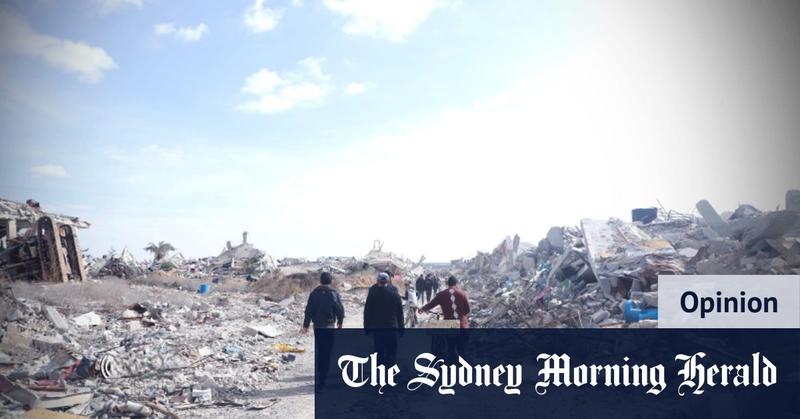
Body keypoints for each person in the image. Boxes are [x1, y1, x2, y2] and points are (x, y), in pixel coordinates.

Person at [301, 272, 344, 389]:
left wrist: (306, 325)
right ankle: (323, 376)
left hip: (318, 326)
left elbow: (309, 310)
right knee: (327, 352)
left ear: (320, 281)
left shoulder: (314, 293)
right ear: (330, 281)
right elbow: (340, 310)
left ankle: (321, 376)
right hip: (330, 326)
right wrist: (340, 323)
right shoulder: (334, 294)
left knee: (320, 351)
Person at [418, 276, 470, 362]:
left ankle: (450, 369)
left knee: (450, 347)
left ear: (447, 284)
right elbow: (467, 310)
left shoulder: (441, 294)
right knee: (461, 349)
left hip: (450, 325)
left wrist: (422, 309)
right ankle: (463, 370)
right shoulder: (463, 294)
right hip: (462, 325)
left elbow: (431, 304)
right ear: (456, 284)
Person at [363, 272, 404, 366]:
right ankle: (390, 372)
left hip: (377, 327)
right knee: (391, 351)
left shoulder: (373, 293)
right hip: (392, 327)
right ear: (388, 281)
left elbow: (367, 312)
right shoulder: (395, 294)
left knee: (379, 349)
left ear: (378, 281)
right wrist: (401, 328)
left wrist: (367, 327)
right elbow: (399, 313)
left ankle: (379, 372)